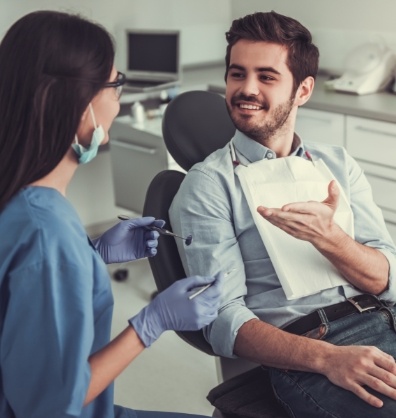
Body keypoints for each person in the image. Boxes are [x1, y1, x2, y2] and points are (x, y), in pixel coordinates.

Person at [169, 10, 396, 418]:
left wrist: (332, 240)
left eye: (266, 77)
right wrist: (328, 359)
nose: (246, 89)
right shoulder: (208, 184)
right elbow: (222, 320)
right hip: (317, 344)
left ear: (303, 90)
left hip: (386, 317)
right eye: (237, 74)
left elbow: (387, 277)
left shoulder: (337, 164)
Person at [0, 10, 224, 418]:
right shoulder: (46, 233)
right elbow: (50, 405)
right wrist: (152, 322)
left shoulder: (24, 200)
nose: (119, 101)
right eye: (116, 85)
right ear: (76, 104)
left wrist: (91, 253)